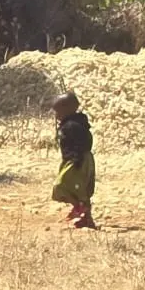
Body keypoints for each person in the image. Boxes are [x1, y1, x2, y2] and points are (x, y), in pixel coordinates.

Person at [51, 91, 96, 229]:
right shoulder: (74, 123)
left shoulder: (72, 126)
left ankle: (79, 207)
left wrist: (76, 160)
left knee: (60, 185)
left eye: (58, 111)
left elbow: (85, 141)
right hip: (77, 159)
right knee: (80, 190)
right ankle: (87, 219)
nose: (56, 115)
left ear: (67, 109)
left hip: (77, 160)